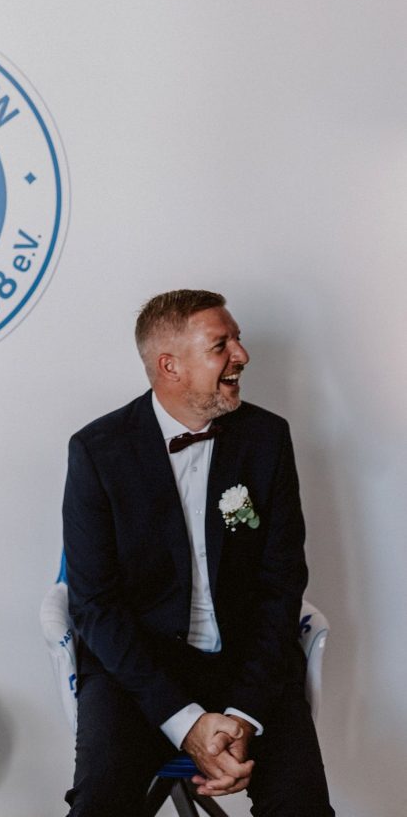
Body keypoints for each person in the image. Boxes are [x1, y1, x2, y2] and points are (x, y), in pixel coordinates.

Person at [62, 289, 334, 816]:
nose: (241, 355)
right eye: (220, 345)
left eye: (238, 340)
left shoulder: (267, 438)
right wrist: (186, 722)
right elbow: (94, 605)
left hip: (251, 664)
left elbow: (282, 583)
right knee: (99, 805)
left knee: (303, 806)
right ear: (171, 366)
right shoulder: (97, 451)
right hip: (137, 673)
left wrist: (244, 715)